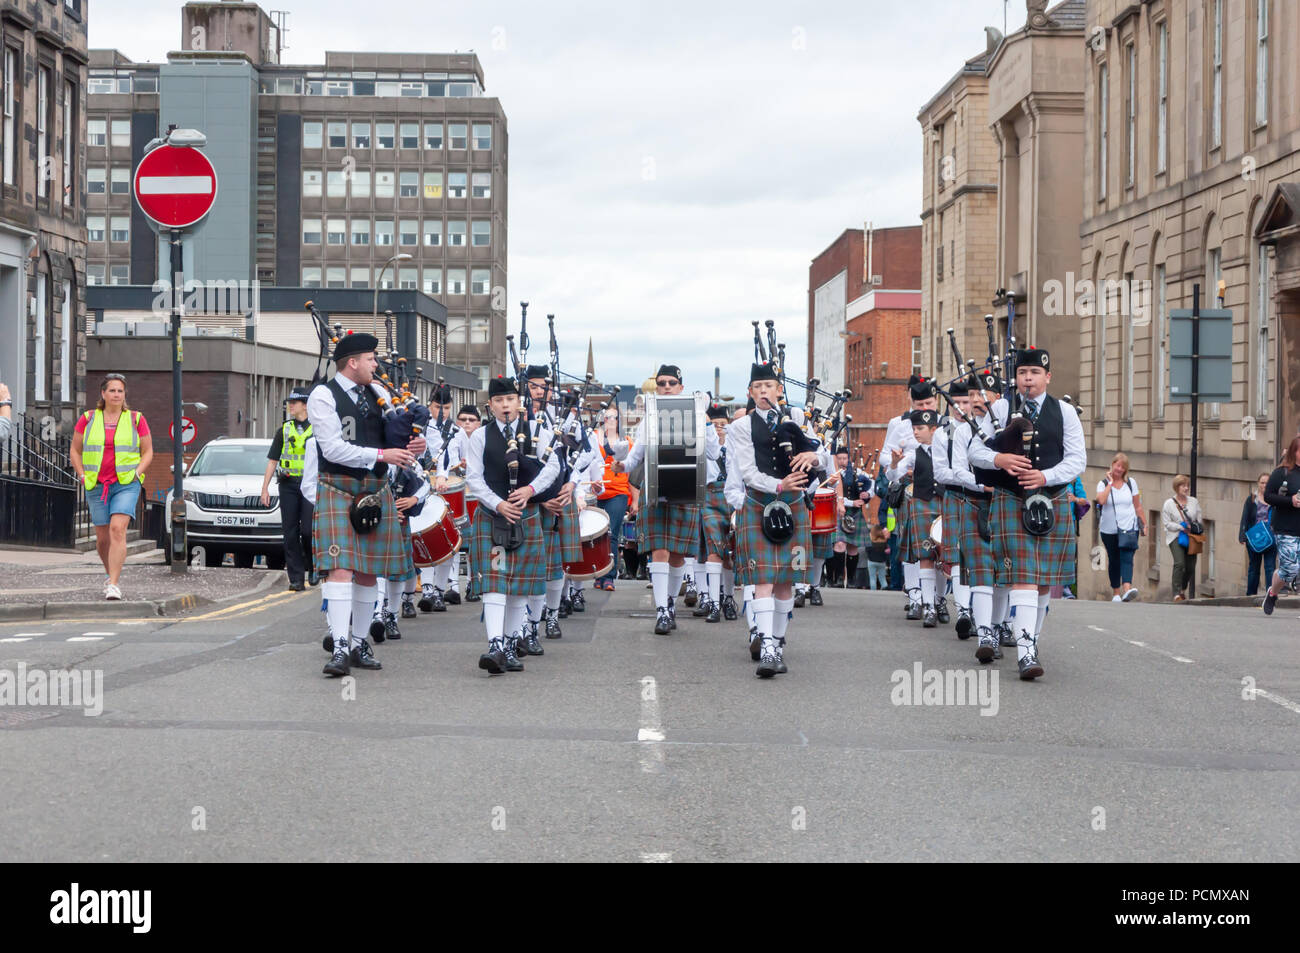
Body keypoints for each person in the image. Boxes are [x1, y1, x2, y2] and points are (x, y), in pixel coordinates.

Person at [308, 332, 427, 678]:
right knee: (340, 569)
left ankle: (359, 643)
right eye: (371, 359)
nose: (377, 365)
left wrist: (410, 447)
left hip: (375, 488)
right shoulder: (322, 395)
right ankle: (340, 647)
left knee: (366, 571)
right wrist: (381, 454)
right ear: (353, 362)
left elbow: (392, 439)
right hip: (338, 487)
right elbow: (331, 449)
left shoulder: (378, 393)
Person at [968, 347, 1087, 681]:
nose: (1028, 379)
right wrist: (1000, 460)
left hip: (1052, 497)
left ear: (1047, 377)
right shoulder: (1001, 408)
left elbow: (1077, 459)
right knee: (1024, 574)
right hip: (1011, 498)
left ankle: (1031, 640)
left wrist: (1045, 476)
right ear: (1015, 377)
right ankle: (1025, 652)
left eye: (1034, 373)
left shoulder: (1064, 412)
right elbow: (975, 451)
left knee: (1044, 580)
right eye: (1022, 373)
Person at [729, 361, 832, 676]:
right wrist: (778, 484)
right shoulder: (740, 427)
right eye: (757, 388)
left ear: (779, 390)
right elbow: (747, 471)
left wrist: (814, 456)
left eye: (769, 386)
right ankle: (767, 649)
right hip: (760, 504)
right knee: (763, 579)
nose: (763, 392)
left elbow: (824, 453)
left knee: (786, 581)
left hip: (794, 504)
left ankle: (778, 640)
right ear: (750, 392)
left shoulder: (798, 418)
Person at [613, 364, 720, 635]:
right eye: (662, 383)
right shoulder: (649, 418)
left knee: (676, 555)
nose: (667, 387)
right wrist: (621, 466)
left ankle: (670, 605)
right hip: (656, 486)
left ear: (681, 387)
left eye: (672, 382)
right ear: (656, 387)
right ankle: (662, 611)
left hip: (687, 486)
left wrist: (705, 419)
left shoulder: (697, 416)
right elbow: (636, 457)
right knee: (659, 550)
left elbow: (713, 453)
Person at [466, 376, 560, 673]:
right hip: (494, 519)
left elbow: (554, 466)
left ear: (519, 402)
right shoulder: (480, 436)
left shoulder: (536, 431)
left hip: (527, 515)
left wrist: (530, 491)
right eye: (498, 401)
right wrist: (498, 503)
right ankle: (495, 645)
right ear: (490, 405)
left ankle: (508, 644)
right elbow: (474, 479)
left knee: (519, 586)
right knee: (496, 580)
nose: (505, 405)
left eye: (509, 400)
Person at [70, 374, 154, 601]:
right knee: (102, 539)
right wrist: (81, 474)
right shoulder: (87, 418)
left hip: (126, 484)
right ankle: (110, 574)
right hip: (96, 485)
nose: (117, 394)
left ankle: (114, 584)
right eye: (112, 391)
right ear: (103, 394)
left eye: (120, 391)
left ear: (125, 395)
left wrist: (137, 473)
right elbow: (75, 450)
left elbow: (148, 451)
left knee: (117, 529)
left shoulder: (136, 419)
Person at [879, 376, 940, 618]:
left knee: (937, 542)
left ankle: (935, 599)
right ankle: (915, 595)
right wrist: (902, 464)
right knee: (911, 542)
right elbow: (885, 458)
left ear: (936, 401)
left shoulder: (943, 424)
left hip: (937, 487)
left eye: (929, 404)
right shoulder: (899, 424)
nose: (924, 410)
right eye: (919, 405)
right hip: (909, 486)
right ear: (910, 402)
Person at [886, 409, 944, 627]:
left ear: (934, 430)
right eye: (914, 428)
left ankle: (940, 602)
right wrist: (893, 463)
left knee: (945, 557)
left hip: (945, 504)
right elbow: (893, 476)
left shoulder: (945, 451)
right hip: (921, 503)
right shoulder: (912, 453)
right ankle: (928, 607)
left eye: (920, 429)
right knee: (926, 556)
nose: (916, 433)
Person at [261, 388, 315, 591]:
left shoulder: (318, 428)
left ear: (305, 405)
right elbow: (272, 460)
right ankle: (296, 579)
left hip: (311, 485)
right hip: (288, 485)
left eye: (295, 402)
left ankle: (313, 568)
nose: (290, 406)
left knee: (308, 531)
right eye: (289, 402)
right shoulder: (283, 430)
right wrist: (264, 488)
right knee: (290, 533)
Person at [1096, 452, 1145, 602]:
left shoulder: (1131, 483)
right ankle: (1116, 592)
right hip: (1109, 529)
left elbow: (1137, 506)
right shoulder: (1103, 484)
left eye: (1123, 467)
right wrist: (1110, 483)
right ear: (1112, 465)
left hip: (1129, 527)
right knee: (1114, 559)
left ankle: (1127, 589)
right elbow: (1101, 501)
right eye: (1118, 465)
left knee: (1127, 557)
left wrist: (1144, 523)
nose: (1119, 469)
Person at [1261, 438, 1300, 615]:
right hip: (1286, 527)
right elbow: (1268, 496)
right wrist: (1290, 501)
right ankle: (1273, 592)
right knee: (1290, 568)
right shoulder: (1282, 473)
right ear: (1294, 452)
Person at [594, 408, 631, 591]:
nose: (610, 420)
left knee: (611, 534)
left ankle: (609, 576)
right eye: (607, 417)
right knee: (594, 536)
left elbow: (631, 472)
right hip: (594, 492)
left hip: (617, 491)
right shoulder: (594, 437)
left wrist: (635, 500)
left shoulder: (627, 442)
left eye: (615, 417)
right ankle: (598, 573)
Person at [1162, 474, 1202, 602]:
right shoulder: (1169, 504)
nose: (1186, 488)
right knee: (1180, 563)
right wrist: (1180, 527)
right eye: (1183, 486)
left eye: (1187, 486)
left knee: (1190, 567)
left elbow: (1199, 518)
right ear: (1177, 487)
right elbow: (1166, 524)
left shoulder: (1194, 501)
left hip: (1191, 537)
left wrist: (1195, 526)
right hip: (1176, 536)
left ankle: (1183, 588)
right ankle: (1176, 593)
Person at [1240, 472, 1276, 597]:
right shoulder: (1251, 499)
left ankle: (1270, 594)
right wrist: (1242, 536)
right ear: (1258, 483)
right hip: (1254, 538)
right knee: (1254, 568)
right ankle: (1251, 594)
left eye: (1267, 482)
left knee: (1270, 567)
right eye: (1262, 482)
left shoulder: (1274, 498)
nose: (1264, 485)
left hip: (1271, 538)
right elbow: (1244, 517)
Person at [865, 524, 889, 589]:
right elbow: (887, 553)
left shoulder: (870, 542)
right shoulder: (885, 543)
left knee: (872, 578)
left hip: (871, 562)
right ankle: (884, 587)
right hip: (882, 562)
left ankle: (873, 592)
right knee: (882, 578)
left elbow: (867, 551)